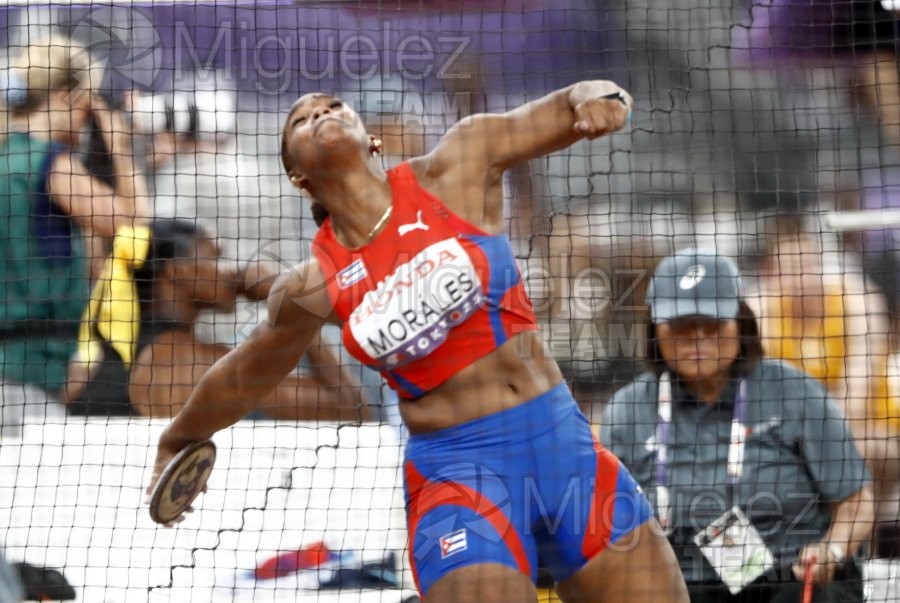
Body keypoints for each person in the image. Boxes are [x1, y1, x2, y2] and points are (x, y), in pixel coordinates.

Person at [146, 83, 690, 602]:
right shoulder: (310, 286)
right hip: (460, 479)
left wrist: (598, 96)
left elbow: (566, 105)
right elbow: (245, 375)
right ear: (296, 175)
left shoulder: (460, 165)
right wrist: (179, 436)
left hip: (566, 452)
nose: (320, 114)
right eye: (302, 120)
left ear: (371, 137)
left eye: (333, 105)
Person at [601, 247, 875, 603]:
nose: (697, 337)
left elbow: (856, 500)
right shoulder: (628, 409)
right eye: (680, 325)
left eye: (712, 322)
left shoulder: (795, 392)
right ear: (655, 330)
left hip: (788, 577)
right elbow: (604, 518)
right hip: (677, 586)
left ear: (741, 323)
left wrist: (832, 551)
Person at [62, 218, 370, 421]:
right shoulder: (196, 363)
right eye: (214, 258)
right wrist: (291, 305)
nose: (230, 270)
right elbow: (349, 407)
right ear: (175, 271)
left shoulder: (95, 366)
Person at [0, 34, 149, 435]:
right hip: (25, 374)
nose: (88, 120)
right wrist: (120, 146)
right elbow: (133, 221)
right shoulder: (51, 163)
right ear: (67, 95)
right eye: (88, 105)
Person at [752, 219, 900, 557]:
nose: (801, 277)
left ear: (819, 264)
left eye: (806, 264)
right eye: (789, 268)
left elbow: (856, 395)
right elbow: (767, 398)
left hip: (862, 432)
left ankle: (861, 554)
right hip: (789, 439)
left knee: (866, 452)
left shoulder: (858, 301)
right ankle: (790, 557)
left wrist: (818, 440)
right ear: (772, 273)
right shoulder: (763, 313)